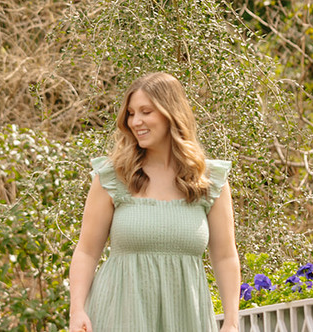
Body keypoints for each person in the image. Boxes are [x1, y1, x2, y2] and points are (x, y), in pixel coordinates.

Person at [68, 72, 240, 332]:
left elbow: (225, 256)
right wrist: (77, 310)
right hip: (119, 315)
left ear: (170, 113)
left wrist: (231, 322)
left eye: (146, 112)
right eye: (131, 113)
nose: (136, 121)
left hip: (186, 318)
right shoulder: (114, 176)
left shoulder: (209, 181)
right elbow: (87, 251)